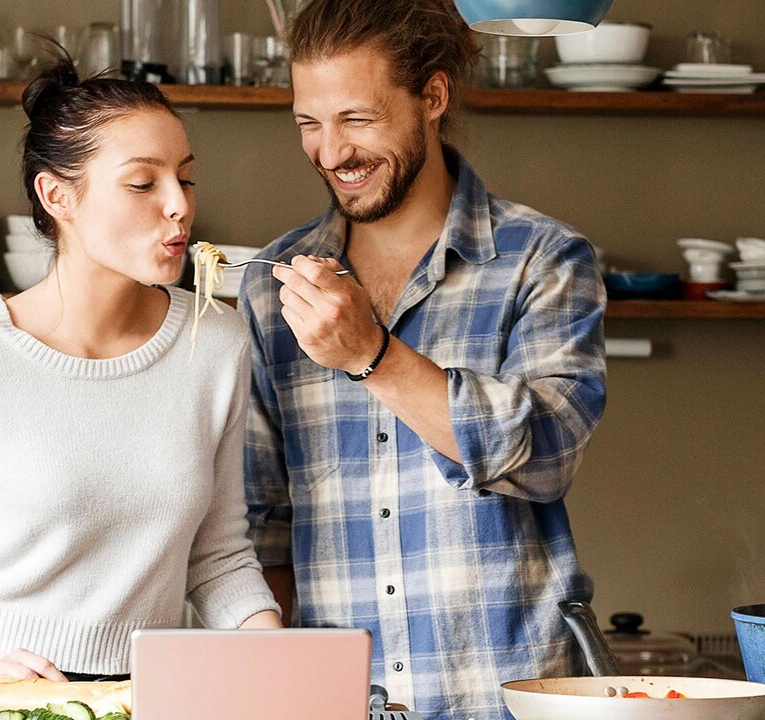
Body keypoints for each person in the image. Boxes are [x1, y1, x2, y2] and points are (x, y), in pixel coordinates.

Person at [0, 56, 281, 685]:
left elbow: (218, 558)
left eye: (186, 179)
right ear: (57, 195)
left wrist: (287, 671)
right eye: (143, 183)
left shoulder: (216, 340)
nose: (178, 206)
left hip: (147, 699)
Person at [237, 1, 609, 717]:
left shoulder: (543, 259)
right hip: (335, 701)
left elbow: (547, 455)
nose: (331, 152)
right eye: (308, 124)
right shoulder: (271, 286)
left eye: (357, 119)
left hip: (508, 698)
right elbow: (265, 528)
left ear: (432, 98)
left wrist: (372, 356)